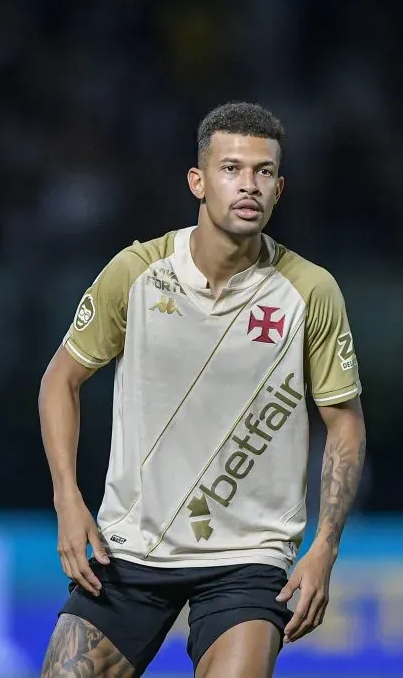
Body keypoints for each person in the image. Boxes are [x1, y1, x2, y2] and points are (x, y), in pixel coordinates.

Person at [38, 101, 367, 678]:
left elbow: (345, 423)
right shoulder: (137, 273)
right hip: (131, 546)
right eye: (231, 168)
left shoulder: (310, 291)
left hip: (249, 557)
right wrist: (68, 499)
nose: (249, 185)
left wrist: (325, 547)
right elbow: (59, 380)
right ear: (198, 181)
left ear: (280, 189)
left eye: (264, 172)